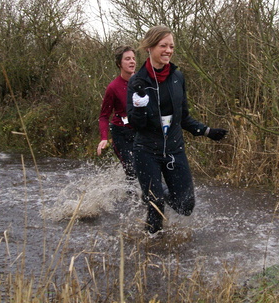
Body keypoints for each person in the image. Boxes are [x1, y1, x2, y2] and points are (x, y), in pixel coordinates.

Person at [127, 25, 228, 235]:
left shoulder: (177, 78)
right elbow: (137, 126)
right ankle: (151, 256)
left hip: (174, 150)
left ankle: (158, 193)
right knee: (156, 207)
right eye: (163, 46)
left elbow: (183, 117)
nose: (168, 50)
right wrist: (139, 104)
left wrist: (207, 131)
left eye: (171, 46)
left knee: (186, 206)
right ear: (150, 47)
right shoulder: (137, 81)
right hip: (147, 151)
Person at [97, 46, 137, 181]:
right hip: (121, 133)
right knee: (132, 170)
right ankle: (131, 201)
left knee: (148, 168)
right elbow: (104, 115)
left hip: (139, 131)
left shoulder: (142, 83)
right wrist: (104, 137)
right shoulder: (113, 87)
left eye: (133, 58)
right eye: (127, 59)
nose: (132, 61)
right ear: (119, 63)